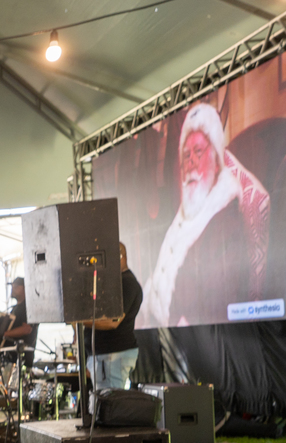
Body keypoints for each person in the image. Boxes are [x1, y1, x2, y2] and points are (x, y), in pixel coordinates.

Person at [144, 103, 269, 326]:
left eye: (198, 151)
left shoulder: (224, 220)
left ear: (216, 161)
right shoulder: (192, 201)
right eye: (186, 154)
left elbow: (214, 307)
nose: (190, 160)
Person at [80, 243, 143, 392]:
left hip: (112, 355)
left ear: (120, 257)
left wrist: (80, 321)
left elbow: (113, 322)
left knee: (109, 401)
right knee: (105, 400)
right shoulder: (118, 283)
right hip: (106, 356)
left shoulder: (126, 283)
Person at [1, 277, 38, 356]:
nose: (13, 289)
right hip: (9, 355)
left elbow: (27, 329)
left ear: (25, 288)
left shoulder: (28, 307)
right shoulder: (14, 308)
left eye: (16, 287)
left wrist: (3, 334)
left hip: (21, 356)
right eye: (12, 287)